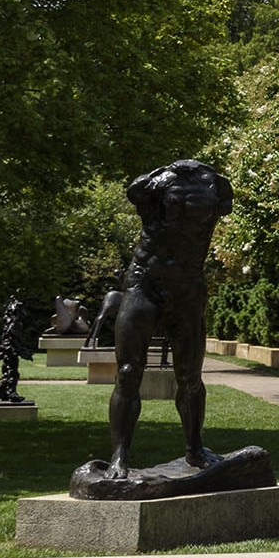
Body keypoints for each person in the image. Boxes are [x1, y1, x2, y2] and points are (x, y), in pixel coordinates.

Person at [102, 159, 232, 478]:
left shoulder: (218, 186)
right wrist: (165, 174)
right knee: (129, 372)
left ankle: (194, 449)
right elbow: (135, 189)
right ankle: (119, 457)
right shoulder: (154, 184)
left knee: (190, 377)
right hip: (145, 282)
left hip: (187, 285)